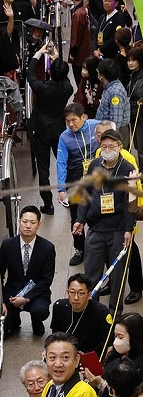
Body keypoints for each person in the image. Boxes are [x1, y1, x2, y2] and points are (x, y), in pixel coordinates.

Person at [74, 127, 138, 314]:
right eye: (104, 146)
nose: (107, 150)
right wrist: (80, 219)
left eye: (111, 146)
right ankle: (90, 312)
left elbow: (130, 202)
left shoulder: (127, 168)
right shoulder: (94, 165)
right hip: (95, 228)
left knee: (117, 275)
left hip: (118, 230)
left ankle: (114, 315)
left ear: (120, 147)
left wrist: (129, 229)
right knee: (91, 274)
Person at [27, 51, 73, 216]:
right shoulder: (68, 89)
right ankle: (69, 195)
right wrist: (57, 60)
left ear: (49, 72)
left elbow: (30, 72)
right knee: (64, 163)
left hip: (41, 130)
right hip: (59, 130)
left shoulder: (41, 88)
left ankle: (48, 204)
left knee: (43, 168)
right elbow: (66, 78)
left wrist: (38, 53)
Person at [39, 333, 104, 397]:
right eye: (52, 357)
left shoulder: (84, 393)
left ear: (77, 360)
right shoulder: (49, 386)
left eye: (65, 358)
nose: (58, 364)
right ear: (45, 358)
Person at [50, 273, 112, 358]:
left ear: (89, 294)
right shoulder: (59, 306)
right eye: (72, 292)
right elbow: (55, 333)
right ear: (67, 292)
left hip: (90, 354)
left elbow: (107, 342)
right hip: (64, 352)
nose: (76, 297)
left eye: (81, 293)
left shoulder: (101, 312)